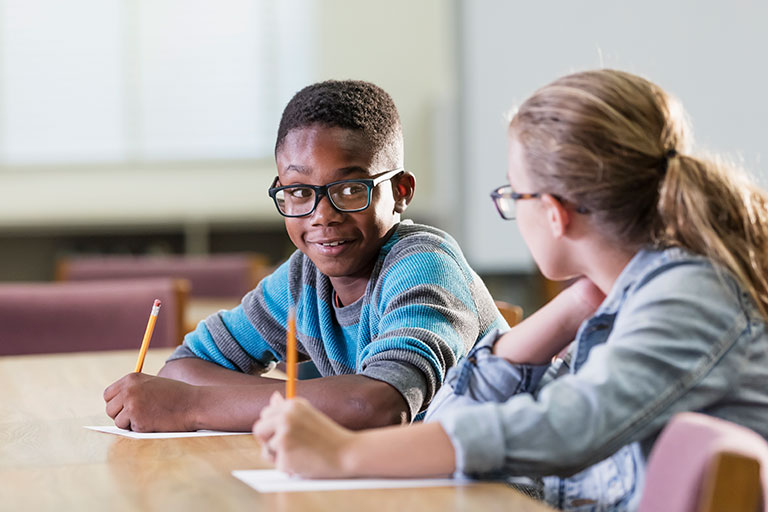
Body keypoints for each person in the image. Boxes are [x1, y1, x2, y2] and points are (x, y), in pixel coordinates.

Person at [253, 69, 768, 510]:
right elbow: (458, 418)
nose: (512, 212)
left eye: (511, 194)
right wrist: (541, 331)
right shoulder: (615, 301)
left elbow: (565, 429)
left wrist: (344, 454)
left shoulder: (689, 296)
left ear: (553, 211)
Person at [103, 80, 507, 433]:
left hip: (497, 494)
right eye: (298, 191)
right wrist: (321, 404)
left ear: (401, 191)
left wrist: (192, 407)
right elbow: (184, 367)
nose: (322, 216)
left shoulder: (423, 264)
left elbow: (378, 406)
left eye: (350, 189)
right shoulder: (304, 276)